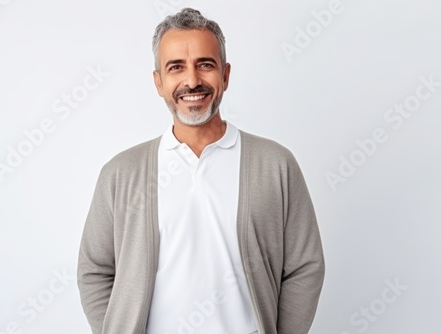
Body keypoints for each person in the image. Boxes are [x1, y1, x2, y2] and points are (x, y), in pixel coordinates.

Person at [77, 8, 324, 334]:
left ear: (225, 75)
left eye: (205, 65)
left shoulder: (275, 165)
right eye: (176, 67)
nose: (192, 80)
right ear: (159, 82)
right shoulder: (121, 173)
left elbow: (305, 266)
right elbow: (94, 269)